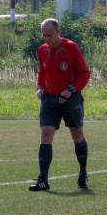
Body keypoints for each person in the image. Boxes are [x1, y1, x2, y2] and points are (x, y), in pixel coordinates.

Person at [29, 18, 91, 192]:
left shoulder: (71, 47)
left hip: (70, 99)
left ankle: (83, 174)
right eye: (44, 35)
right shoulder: (42, 50)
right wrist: (40, 87)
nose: (46, 38)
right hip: (49, 100)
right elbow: (42, 71)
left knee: (77, 136)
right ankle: (43, 180)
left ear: (58, 31)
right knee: (45, 135)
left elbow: (84, 74)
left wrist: (70, 89)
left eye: (49, 35)